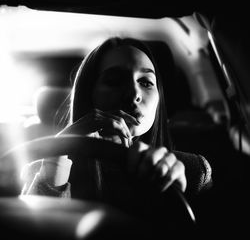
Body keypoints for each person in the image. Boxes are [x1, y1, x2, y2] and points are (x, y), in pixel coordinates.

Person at [21, 37, 212, 228]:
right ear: (89, 94)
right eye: (114, 81)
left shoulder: (193, 171)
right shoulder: (42, 170)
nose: (134, 93)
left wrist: (176, 198)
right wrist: (59, 152)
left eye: (146, 82)